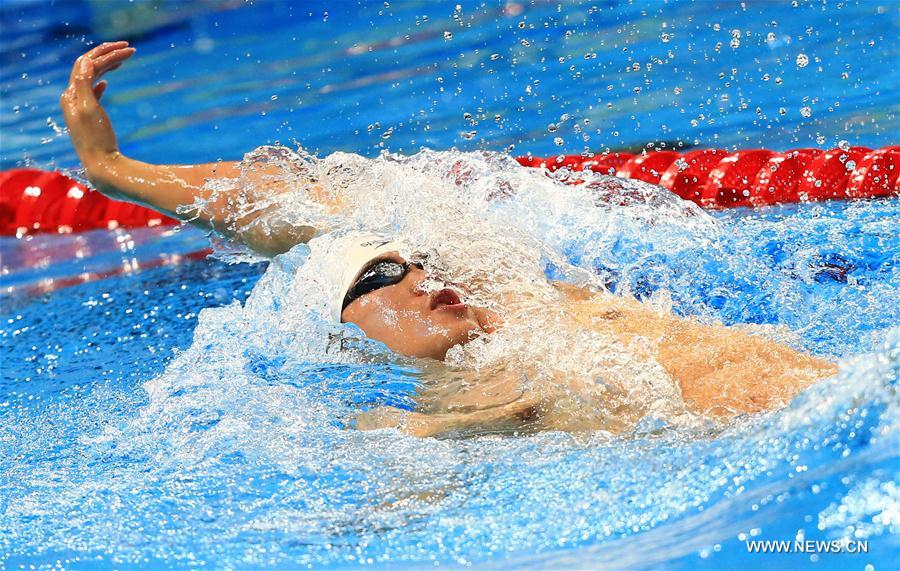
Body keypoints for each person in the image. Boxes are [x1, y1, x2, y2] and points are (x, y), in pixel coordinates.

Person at [61, 42, 838, 437]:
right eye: (385, 274)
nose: (423, 277)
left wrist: (116, 169)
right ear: (345, 328)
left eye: (418, 262)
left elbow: (296, 201)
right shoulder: (453, 412)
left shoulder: (513, 298)